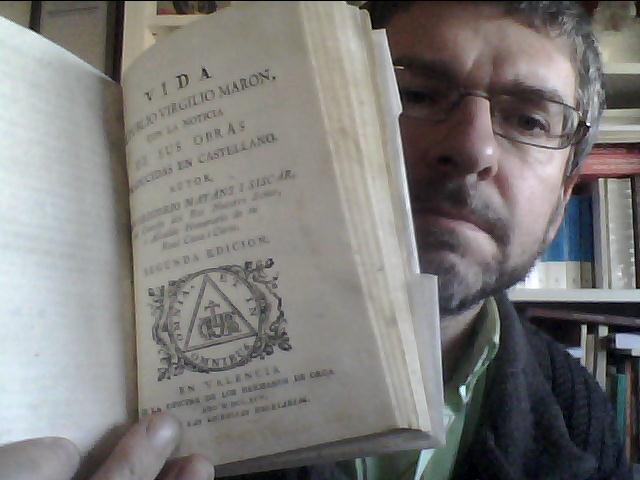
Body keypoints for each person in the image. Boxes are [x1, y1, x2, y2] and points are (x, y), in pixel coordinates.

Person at [0, 1, 631, 479]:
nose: (472, 148)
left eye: (530, 120)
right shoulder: (128, 383)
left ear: (563, 198)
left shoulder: (580, 411)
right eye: (416, 93)